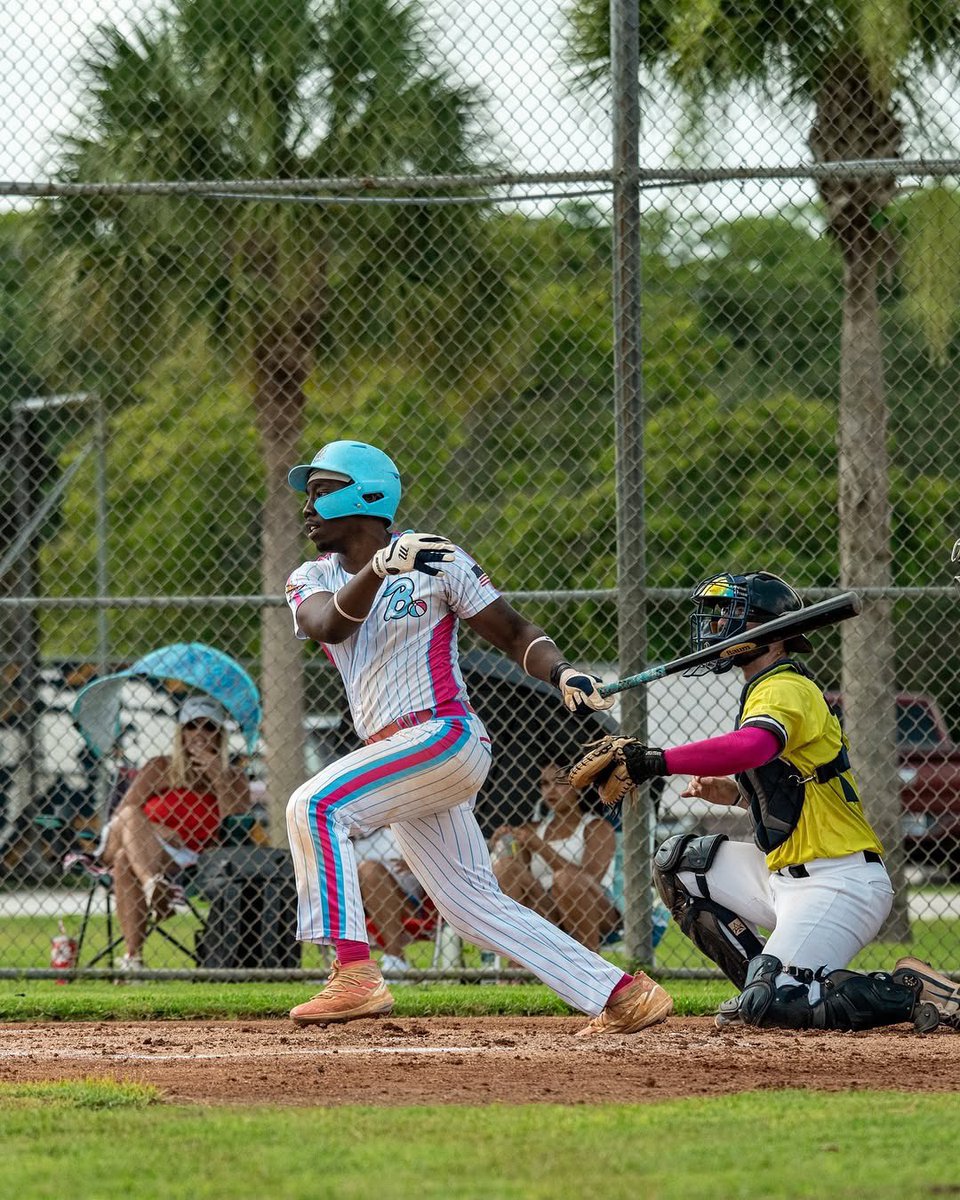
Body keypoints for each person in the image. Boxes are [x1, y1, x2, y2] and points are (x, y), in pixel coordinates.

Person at [283, 438, 673, 1035]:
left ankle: (354, 972)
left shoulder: (438, 563)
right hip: (393, 753)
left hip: (442, 736)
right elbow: (326, 622)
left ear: (366, 495)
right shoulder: (311, 577)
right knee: (471, 908)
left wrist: (563, 671)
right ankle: (622, 993)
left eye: (321, 491)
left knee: (313, 804)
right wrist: (379, 568)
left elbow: (515, 632)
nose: (306, 507)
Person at [570, 570, 960, 1033]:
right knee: (679, 865)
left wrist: (655, 761)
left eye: (729, 619)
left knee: (775, 1000)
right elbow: (790, 788)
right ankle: (765, 986)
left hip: (838, 883)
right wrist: (734, 794)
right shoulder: (762, 686)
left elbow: (753, 746)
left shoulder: (786, 687)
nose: (715, 630)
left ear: (766, 633)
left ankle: (908, 992)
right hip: (782, 877)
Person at [101, 695, 252, 974]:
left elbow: (235, 825)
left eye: (209, 727)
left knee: (124, 862)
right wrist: (155, 828)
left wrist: (218, 778)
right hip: (135, 840)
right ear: (181, 732)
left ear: (220, 734)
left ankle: (132, 959)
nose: (199, 734)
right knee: (132, 818)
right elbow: (121, 815)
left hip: (190, 858)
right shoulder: (160, 767)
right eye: (192, 726)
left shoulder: (235, 777)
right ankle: (151, 885)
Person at [489, 760, 621, 952]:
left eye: (559, 783)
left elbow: (590, 880)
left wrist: (541, 847)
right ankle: (517, 961)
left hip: (591, 909)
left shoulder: (597, 828)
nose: (550, 790)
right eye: (544, 784)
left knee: (566, 878)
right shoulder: (532, 829)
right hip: (544, 908)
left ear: (578, 786)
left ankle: (590, 961)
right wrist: (501, 845)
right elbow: (514, 876)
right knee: (505, 867)